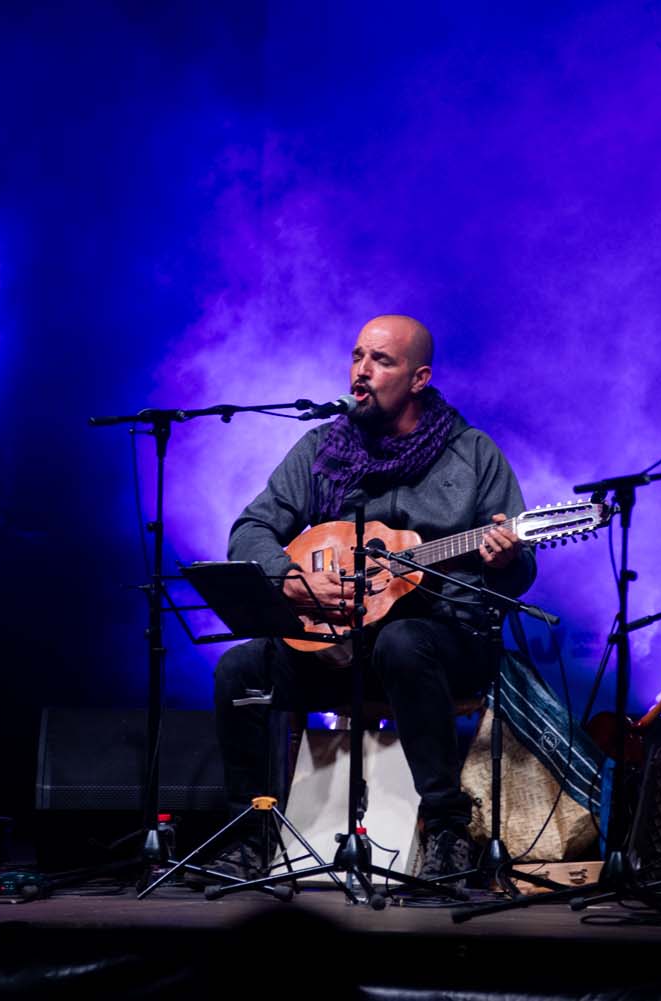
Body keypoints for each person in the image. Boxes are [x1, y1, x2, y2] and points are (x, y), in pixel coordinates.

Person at [208, 314, 536, 883]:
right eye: (358, 356)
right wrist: (289, 577)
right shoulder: (321, 447)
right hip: (340, 649)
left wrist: (507, 557)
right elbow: (250, 530)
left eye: (381, 361)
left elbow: (519, 572)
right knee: (240, 670)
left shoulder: (473, 454)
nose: (361, 372)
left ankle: (447, 832)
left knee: (405, 642)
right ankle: (253, 834)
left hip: (441, 643)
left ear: (419, 378)